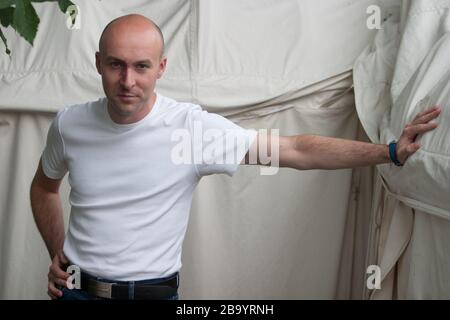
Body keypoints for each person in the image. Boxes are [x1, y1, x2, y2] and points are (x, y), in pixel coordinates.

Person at [30, 14, 441, 300]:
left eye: (141, 66)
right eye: (116, 65)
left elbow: (293, 149)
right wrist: (57, 249)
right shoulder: (70, 125)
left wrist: (389, 151)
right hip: (77, 293)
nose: (128, 81)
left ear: (161, 68)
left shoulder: (191, 131)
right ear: (98, 63)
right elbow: (44, 186)